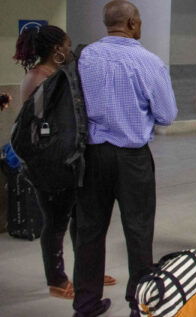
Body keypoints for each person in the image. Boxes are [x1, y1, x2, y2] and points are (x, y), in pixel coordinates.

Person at [73, 0, 178, 317]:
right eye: (140, 20)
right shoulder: (148, 62)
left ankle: (86, 305)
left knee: (89, 231)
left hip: (91, 155)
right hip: (132, 158)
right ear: (132, 23)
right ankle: (140, 305)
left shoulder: (85, 56)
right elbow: (167, 114)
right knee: (138, 229)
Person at [12, 26, 118, 301]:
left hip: (72, 162)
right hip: (49, 165)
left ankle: (87, 272)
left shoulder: (61, 76)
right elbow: (37, 129)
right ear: (57, 48)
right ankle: (56, 280)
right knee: (55, 223)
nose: (70, 48)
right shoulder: (38, 78)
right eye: (67, 44)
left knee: (81, 220)